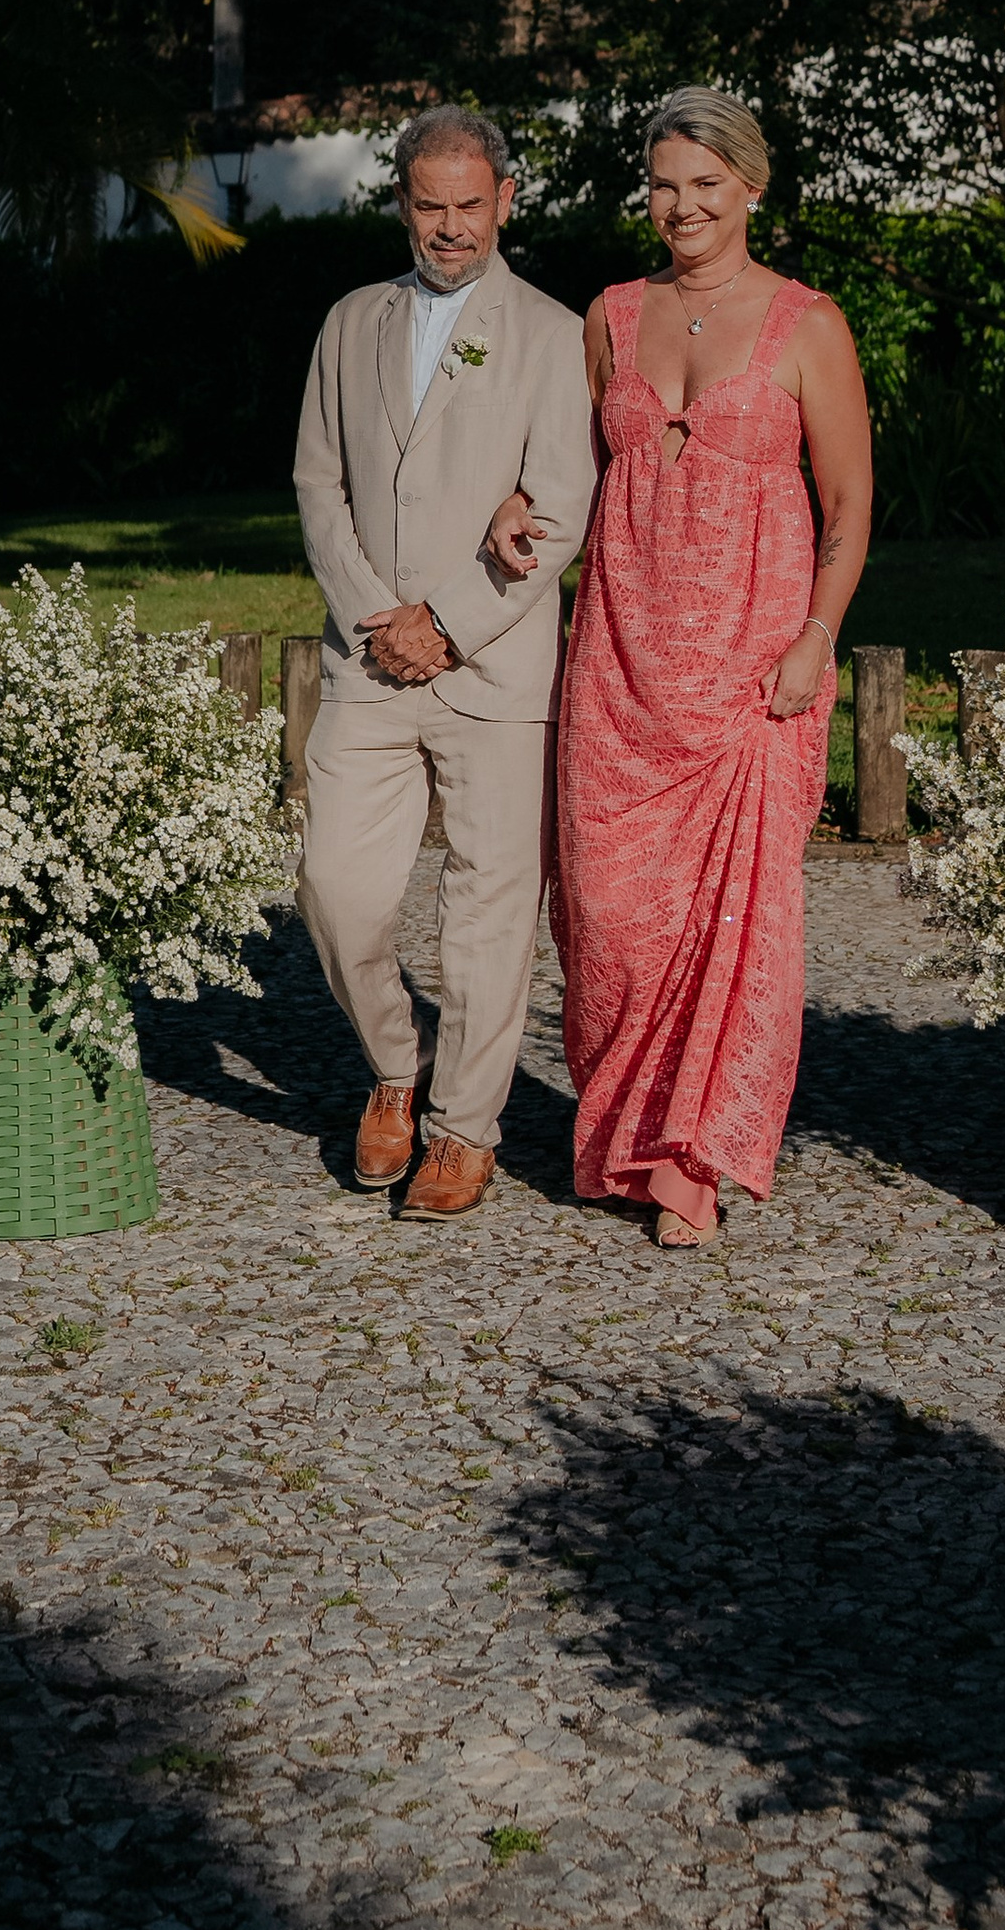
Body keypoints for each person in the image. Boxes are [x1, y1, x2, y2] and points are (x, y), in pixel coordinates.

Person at [487, 88, 873, 1247]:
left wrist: (816, 636)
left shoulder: (809, 324)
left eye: (705, 183)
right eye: (663, 184)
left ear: (751, 187)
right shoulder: (609, 315)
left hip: (751, 672)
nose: (683, 205)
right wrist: (517, 502)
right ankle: (622, 1131)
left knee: (732, 925)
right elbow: (567, 470)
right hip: (616, 662)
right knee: (609, 916)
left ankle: (691, 1158)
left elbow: (849, 502)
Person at [292, 106, 593, 1218]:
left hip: (495, 665)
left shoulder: (555, 334)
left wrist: (450, 624)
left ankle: (465, 1128)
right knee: (334, 889)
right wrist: (377, 615)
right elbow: (317, 483)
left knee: (487, 910)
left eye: (471, 204)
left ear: (505, 200)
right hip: (368, 658)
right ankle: (394, 1063)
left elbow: (558, 509)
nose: (451, 226)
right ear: (402, 204)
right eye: (431, 205)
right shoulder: (348, 322)